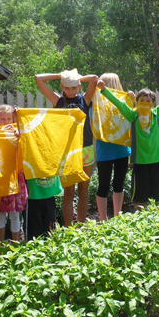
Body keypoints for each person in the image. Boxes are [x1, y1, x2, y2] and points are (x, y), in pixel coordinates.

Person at [97, 73, 159, 208]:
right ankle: (142, 223)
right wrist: (104, 90)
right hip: (140, 163)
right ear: (136, 103)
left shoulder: (158, 113)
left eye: (148, 101)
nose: (145, 104)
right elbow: (119, 103)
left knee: (157, 199)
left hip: (156, 162)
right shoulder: (132, 115)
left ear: (153, 104)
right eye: (141, 101)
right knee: (141, 199)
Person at [34, 69, 99, 226]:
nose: (70, 91)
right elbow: (38, 78)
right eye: (67, 87)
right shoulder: (58, 101)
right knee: (69, 192)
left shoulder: (85, 99)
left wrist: (76, 77)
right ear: (62, 87)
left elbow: (94, 78)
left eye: (74, 87)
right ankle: (69, 230)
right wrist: (59, 76)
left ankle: (81, 227)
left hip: (85, 149)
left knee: (84, 190)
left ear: (78, 87)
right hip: (66, 152)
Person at [94, 73, 132, 221]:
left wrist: (131, 100)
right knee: (111, 184)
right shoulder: (97, 100)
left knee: (113, 184)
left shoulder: (124, 101)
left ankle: (115, 218)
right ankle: (105, 220)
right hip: (107, 150)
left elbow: (130, 116)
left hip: (119, 149)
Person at [0, 105, 27, 242]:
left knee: (15, 214)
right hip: (0, 179)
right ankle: (0, 245)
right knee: (0, 214)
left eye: (9, 118)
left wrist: (20, 137)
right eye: (3, 119)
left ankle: (15, 244)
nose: (6, 121)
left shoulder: (18, 133)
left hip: (15, 177)